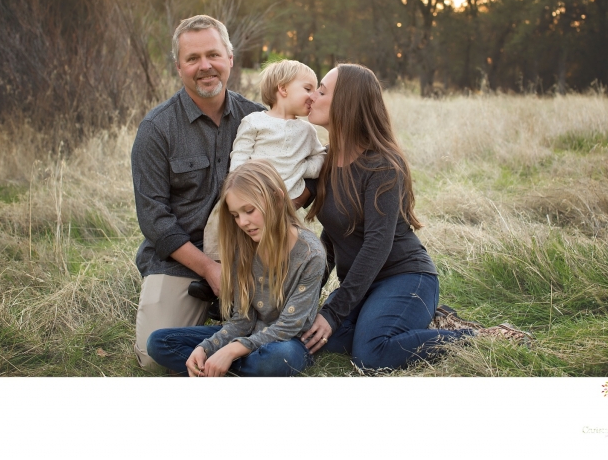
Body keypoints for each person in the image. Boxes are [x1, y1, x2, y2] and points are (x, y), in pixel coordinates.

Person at [301, 63, 531, 372]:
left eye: (322, 91)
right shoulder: (324, 162)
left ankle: (480, 336)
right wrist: (312, 297)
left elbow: (377, 244)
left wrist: (334, 310)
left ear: (347, 103)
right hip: (364, 285)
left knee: (371, 355)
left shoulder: (382, 165)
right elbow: (333, 236)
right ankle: (426, 320)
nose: (312, 96)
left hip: (405, 276)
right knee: (313, 338)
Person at [131, 15, 269, 371]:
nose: (205, 66)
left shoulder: (259, 120)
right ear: (179, 66)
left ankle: (236, 336)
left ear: (230, 58)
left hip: (250, 255)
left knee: (285, 334)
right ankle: (226, 325)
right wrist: (209, 268)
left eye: (213, 54)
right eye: (192, 58)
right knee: (151, 357)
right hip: (183, 261)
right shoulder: (156, 130)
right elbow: (154, 219)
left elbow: (289, 182)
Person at [147, 159, 326, 377]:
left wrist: (230, 351)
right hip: (247, 336)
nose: (242, 222)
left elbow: (288, 327)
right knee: (159, 342)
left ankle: (215, 371)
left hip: (287, 343)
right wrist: (207, 347)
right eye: (235, 215)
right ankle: (225, 370)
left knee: (279, 359)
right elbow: (242, 321)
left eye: (249, 210)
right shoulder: (243, 247)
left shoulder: (311, 253)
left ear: (277, 199)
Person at [202, 59, 325, 262]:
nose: (314, 95)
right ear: (283, 89)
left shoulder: (307, 131)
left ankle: (275, 282)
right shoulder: (255, 121)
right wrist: (239, 187)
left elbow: (320, 156)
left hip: (284, 203)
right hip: (249, 193)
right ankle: (218, 266)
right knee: (225, 226)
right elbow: (240, 153)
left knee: (279, 248)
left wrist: (303, 168)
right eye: (308, 88)